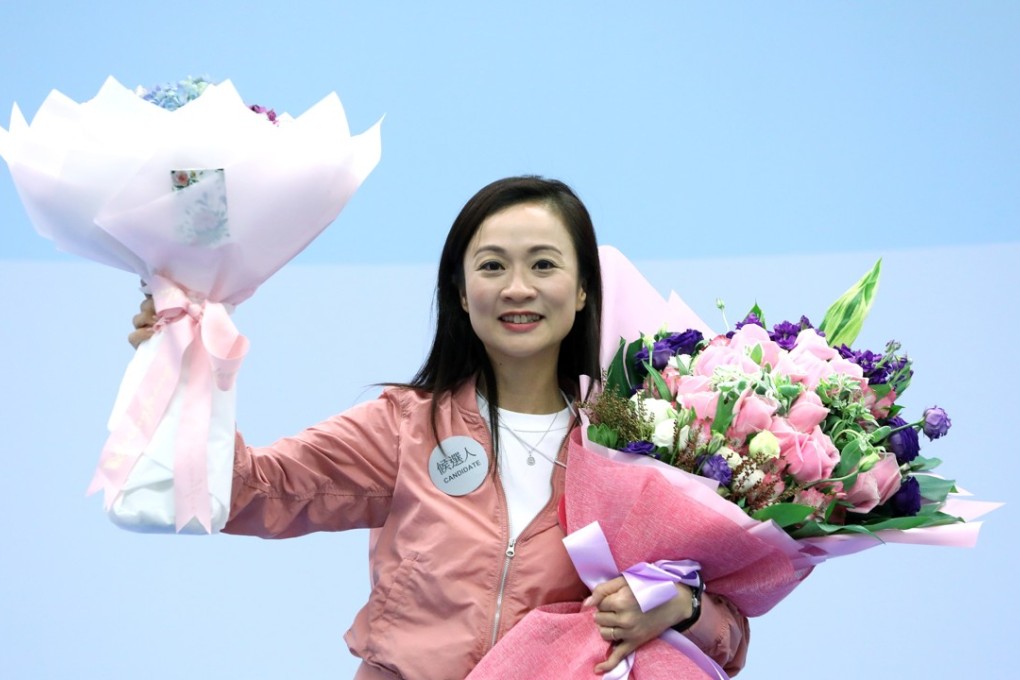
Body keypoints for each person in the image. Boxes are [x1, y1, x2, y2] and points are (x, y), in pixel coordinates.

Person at [129, 176, 749, 679]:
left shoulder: (645, 441)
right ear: (458, 290)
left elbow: (731, 637)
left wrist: (683, 607)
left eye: (543, 264)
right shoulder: (403, 426)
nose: (517, 288)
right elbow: (248, 492)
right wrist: (186, 363)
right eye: (491, 266)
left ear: (584, 289)